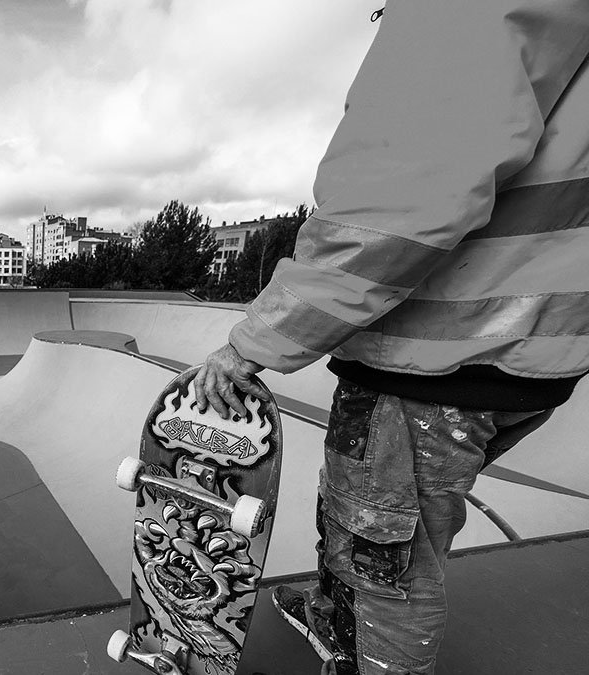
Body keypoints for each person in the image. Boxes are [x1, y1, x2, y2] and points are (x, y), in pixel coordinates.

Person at [192, 2, 589, 674]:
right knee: (371, 514)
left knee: (388, 560)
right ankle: (336, 613)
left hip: (437, 351)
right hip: (530, 340)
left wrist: (257, 342)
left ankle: (373, 648)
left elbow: (404, 192)